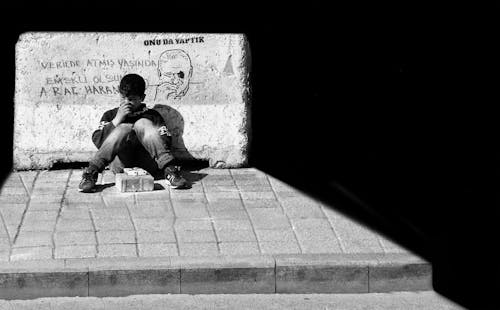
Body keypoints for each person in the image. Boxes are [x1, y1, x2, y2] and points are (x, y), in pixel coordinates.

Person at [79, 73, 188, 192]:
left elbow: (165, 142)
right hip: (121, 163)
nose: (126, 102)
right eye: (123, 98)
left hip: (147, 163)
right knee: (123, 128)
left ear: (142, 98)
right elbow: (98, 142)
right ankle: (91, 172)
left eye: (132, 99)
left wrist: (142, 133)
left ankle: (170, 170)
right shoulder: (110, 115)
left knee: (142, 123)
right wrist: (116, 121)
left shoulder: (153, 116)